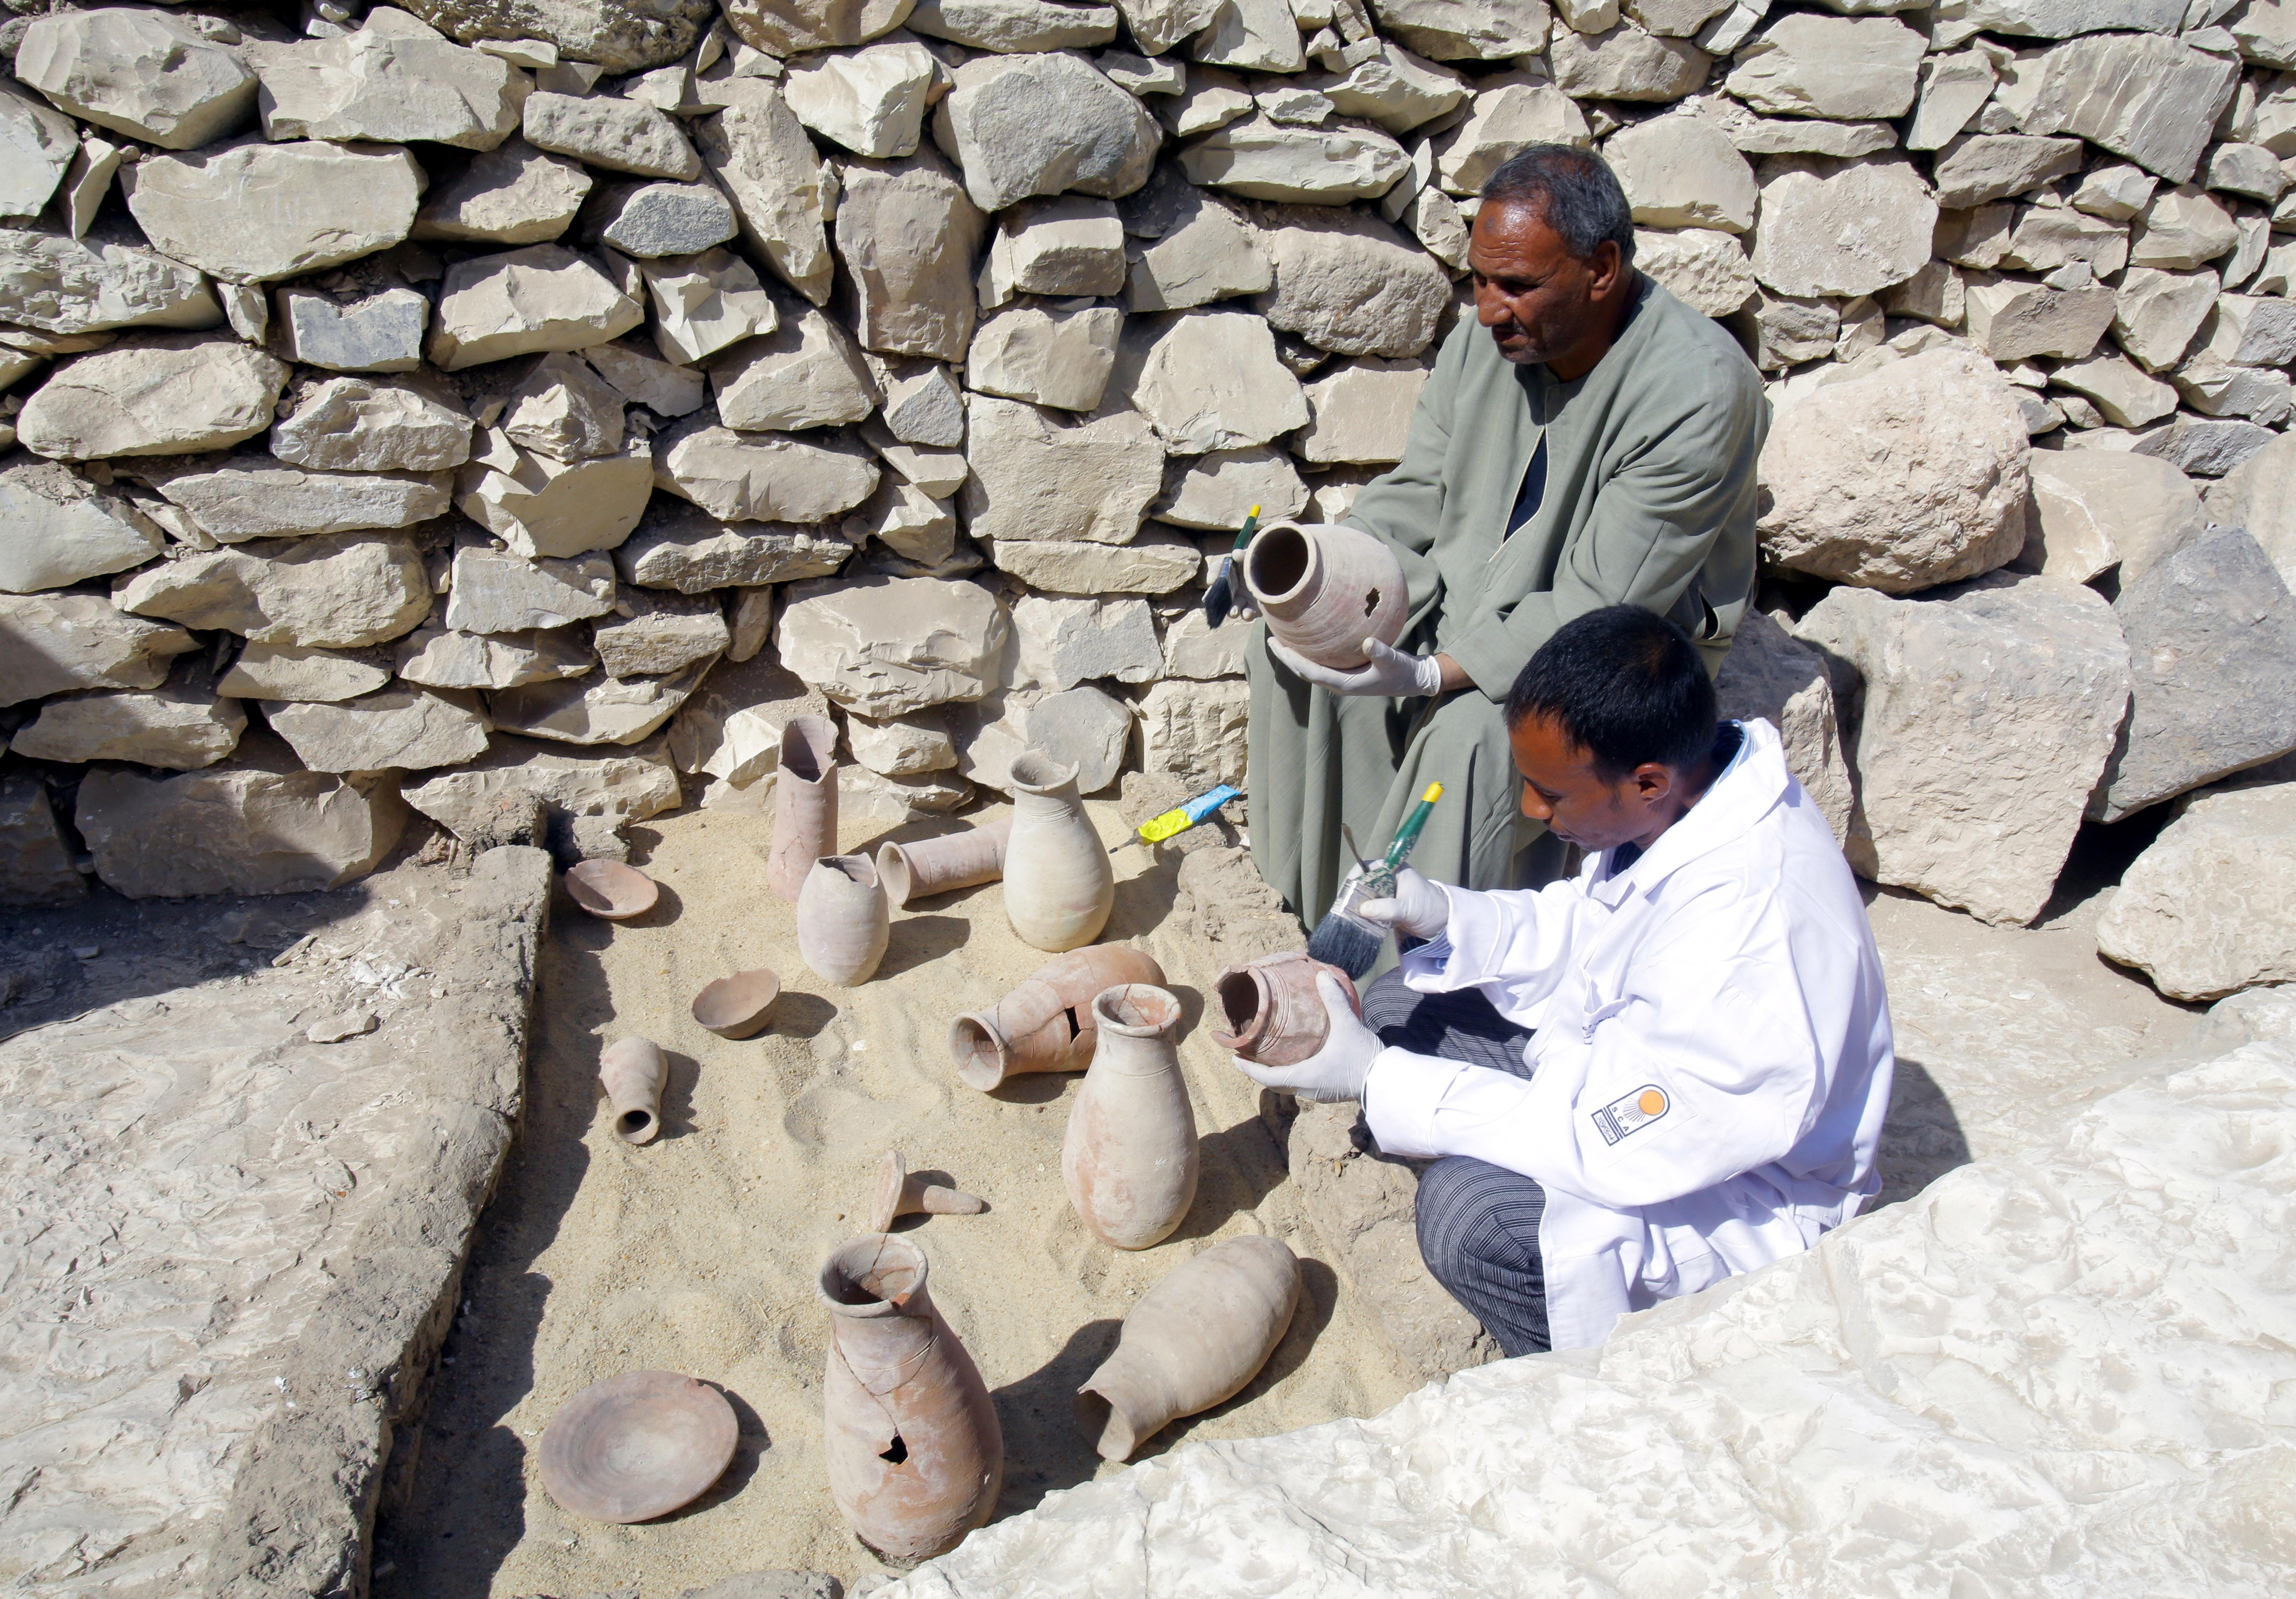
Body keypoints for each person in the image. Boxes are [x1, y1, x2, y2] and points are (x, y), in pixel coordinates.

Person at [1234, 607, 1894, 1355]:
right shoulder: (1691, 791)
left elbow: (1611, 1141)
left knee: (1470, 1216)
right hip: (1631, 1077)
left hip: (1729, 1183)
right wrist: (1447, 914)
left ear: (1646, 782)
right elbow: (1591, 928)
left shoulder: (1749, 934)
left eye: (1551, 794)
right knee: (1400, 1004)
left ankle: (1593, 1383)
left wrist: (1380, 1080)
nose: (1529, 809)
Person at [1242, 143, 1766, 930]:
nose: (1489, 309)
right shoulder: (1485, 342)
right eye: (1481, 281)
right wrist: (1326, 580)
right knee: (1290, 652)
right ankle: (1306, 909)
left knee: (1472, 743)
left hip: (1613, 657)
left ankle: (1410, 985)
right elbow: (1418, 494)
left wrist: (1434, 676)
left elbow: (1604, 606)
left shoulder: (1696, 391)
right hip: (1466, 592)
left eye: (1517, 286)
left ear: (1602, 268)